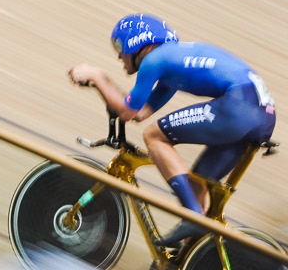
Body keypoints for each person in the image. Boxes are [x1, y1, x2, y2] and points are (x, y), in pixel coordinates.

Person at [66, 14, 276, 252]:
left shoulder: (155, 60)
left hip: (240, 105)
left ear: (137, 43)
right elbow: (139, 112)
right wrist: (103, 89)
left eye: (118, 46)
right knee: (198, 183)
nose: (118, 55)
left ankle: (193, 216)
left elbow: (126, 111)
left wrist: (97, 76)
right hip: (259, 113)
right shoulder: (169, 68)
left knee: (154, 136)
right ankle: (192, 255)